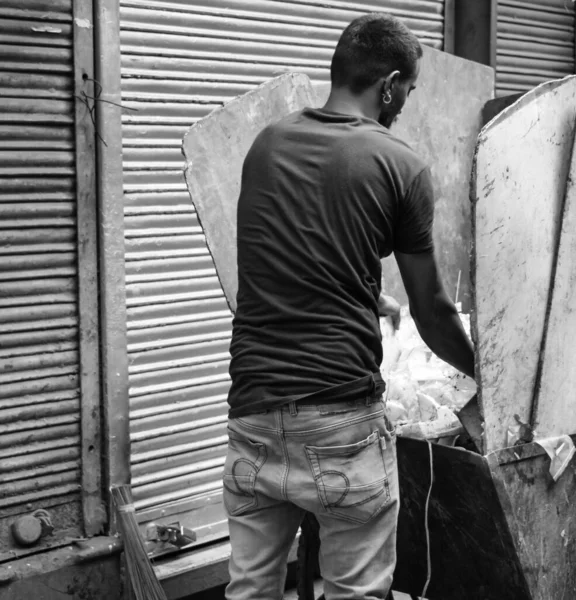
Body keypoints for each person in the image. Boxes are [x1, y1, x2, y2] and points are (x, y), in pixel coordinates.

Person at [222, 12, 475, 600]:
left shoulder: (267, 145)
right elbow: (434, 310)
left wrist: (370, 295)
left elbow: (290, 257)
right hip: (339, 421)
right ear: (388, 84)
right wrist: (486, 377)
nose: (406, 103)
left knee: (250, 591)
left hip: (252, 417)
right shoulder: (399, 164)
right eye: (408, 89)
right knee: (356, 594)